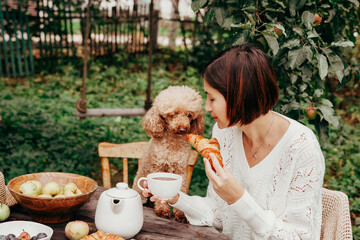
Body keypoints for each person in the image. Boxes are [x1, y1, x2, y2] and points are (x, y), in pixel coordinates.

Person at [142, 44, 325, 239]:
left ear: (240, 96)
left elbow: (300, 236)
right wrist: (174, 197)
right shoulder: (224, 133)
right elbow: (218, 214)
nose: (207, 108)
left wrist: (238, 198)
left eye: (212, 99)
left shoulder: (301, 147)